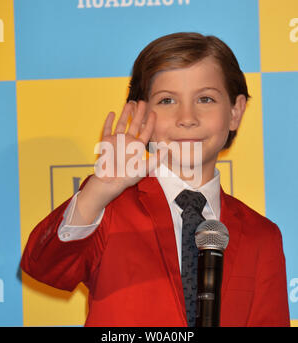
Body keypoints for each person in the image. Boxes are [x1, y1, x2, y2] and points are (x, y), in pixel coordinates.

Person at [21, 32, 290, 327]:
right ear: (139, 112)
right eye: (167, 100)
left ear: (235, 112)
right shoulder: (107, 207)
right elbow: (44, 266)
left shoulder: (262, 236)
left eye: (205, 98)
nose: (187, 117)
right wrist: (99, 190)